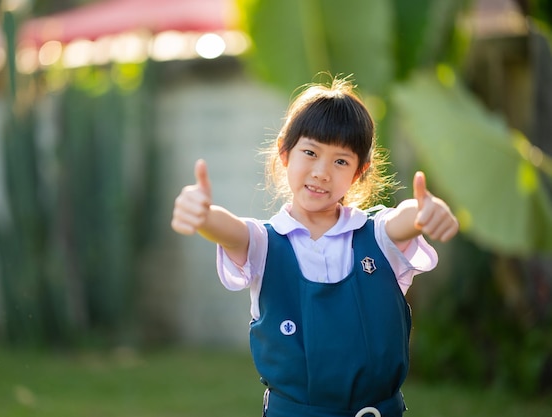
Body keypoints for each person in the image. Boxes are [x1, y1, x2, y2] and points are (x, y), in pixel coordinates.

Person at [171, 76, 459, 417]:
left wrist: (424, 213)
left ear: (359, 171)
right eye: (310, 152)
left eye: (340, 161)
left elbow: (403, 219)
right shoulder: (265, 244)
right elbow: (232, 231)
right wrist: (203, 216)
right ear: (284, 153)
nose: (322, 172)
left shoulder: (376, 237)